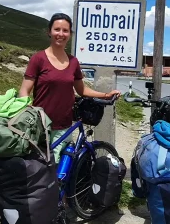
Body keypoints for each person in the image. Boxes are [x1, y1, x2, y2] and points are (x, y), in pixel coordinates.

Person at [19, 13, 120, 163]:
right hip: (40, 126)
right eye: (57, 29)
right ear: (49, 32)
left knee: (61, 170)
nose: (61, 34)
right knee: (39, 168)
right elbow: (24, 91)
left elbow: (82, 90)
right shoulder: (38, 59)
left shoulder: (73, 62)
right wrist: (28, 112)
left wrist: (106, 95)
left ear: (70, 34)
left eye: (65, 30)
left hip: (64, 125)